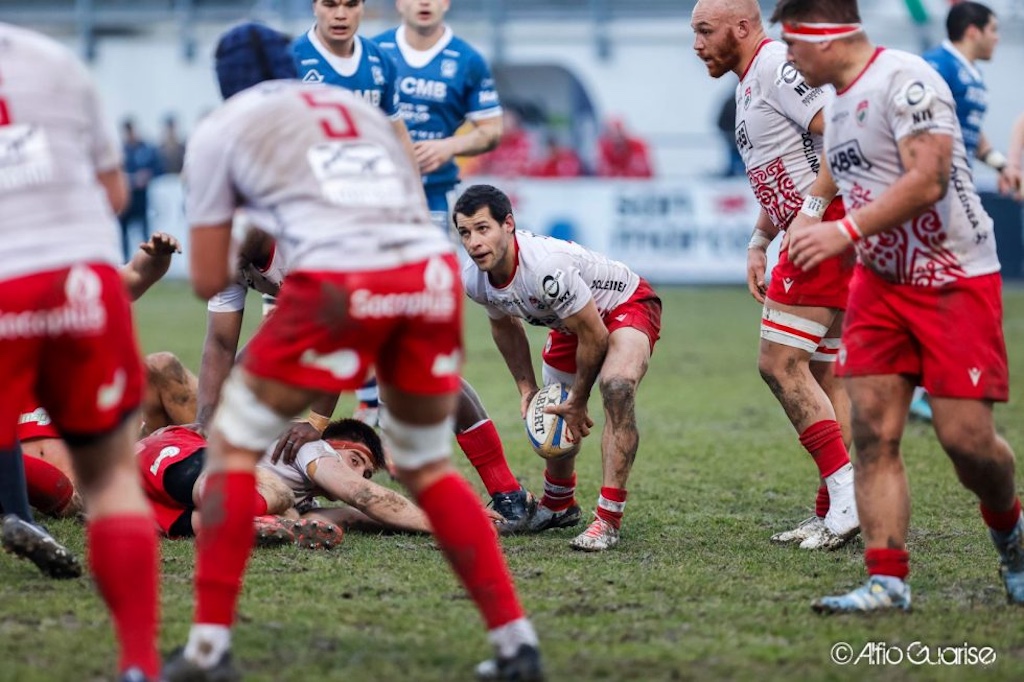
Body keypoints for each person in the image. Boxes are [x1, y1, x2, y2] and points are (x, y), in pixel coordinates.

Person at [161, 23, 543, 682]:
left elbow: (204, 278)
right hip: (425, 273)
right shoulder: (355, 110)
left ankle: (207, 652)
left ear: (227, 88)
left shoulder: (221, 132)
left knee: (227, 455)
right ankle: (517, 643)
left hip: (336, 282)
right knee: (425, 465)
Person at [776, 0, 1024, 612]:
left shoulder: (908, 80)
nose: (786, 55)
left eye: (791, 41)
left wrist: (843, 232)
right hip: (880, 285)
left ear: (826, 37)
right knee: (873, 433)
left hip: (953, 280)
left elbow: (929, 177)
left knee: (967, 443)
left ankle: (1012, 536)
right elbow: (841, 162)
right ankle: (887, 581)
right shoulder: (836, 102)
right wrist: (803, 218)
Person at [0, 22, 160, 681]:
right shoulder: (55, 58)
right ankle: (138, 664)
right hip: (82, 282)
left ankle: (13, 509)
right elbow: (116, 194)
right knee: (112, 480)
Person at [690, 0, 858, 550]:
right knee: (825, 375)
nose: (696, 43)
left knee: (779, 363)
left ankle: (848, 499)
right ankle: (834, 508)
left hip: (822, 229)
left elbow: (838, 130)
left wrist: (810, 215)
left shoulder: (773, 65)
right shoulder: (747, 82)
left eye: (704, 31)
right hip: (813, 228)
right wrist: (761, 239)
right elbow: (779, 168)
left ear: (741, 27)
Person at [455, 184, 662, 552]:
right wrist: (527, 389)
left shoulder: (546, 268)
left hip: (623, 306)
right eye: (465, 233)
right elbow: (505, 325)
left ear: (508, 225)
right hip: (572, 323)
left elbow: (596, 336)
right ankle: (558, 505)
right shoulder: (474, 280)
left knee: (616, 387)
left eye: (482, 228)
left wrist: (579, 400)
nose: (474, 242)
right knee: (551, 416)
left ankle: (608, 520)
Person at [374, 0, 504, 233]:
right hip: (375, 190)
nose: (424, 2)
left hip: (434, 194)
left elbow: (492, 130)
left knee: (433, 268)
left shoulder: (468, 60)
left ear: (446, 3)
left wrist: (449, 146)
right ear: (399, 3)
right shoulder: (374, 51)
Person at [291, 0, 419, 167]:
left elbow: (399, 135)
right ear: (315, 7)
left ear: (362, 8)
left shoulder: (381, 60)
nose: (340, 15)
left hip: (367, 183)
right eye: (330, 5)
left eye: (351, 5)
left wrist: (415, 191)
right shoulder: (290, 59)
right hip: (311, 182)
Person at [119, 119, 163, 263]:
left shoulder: (146, 149)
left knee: (144, 232)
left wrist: (147, 175)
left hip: (142, 199)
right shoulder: (122, 151)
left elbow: (158, 168)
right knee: (124, 234)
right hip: (127, 200)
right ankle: (125, 262)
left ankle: (148, 261)